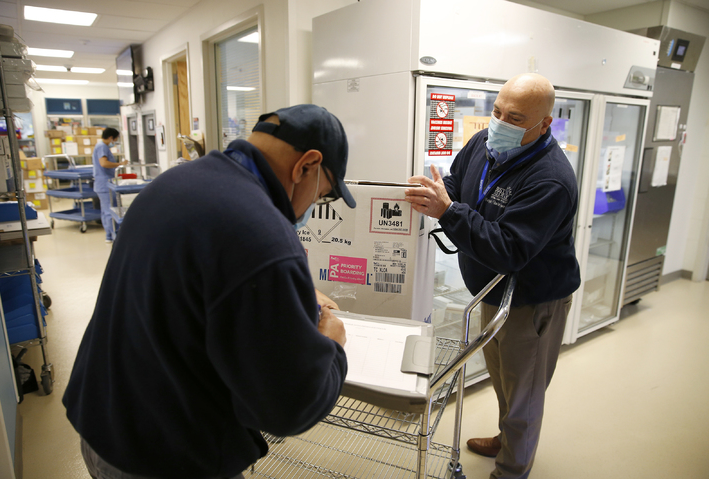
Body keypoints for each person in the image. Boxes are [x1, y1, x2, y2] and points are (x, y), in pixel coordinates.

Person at [63, 104, 355, 479]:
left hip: (104, 424)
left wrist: (282, 289)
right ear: (306, 166)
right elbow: (287, 408)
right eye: (323, 194)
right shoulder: (263, 234)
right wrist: (333, 349)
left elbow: (193, 287)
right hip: (166, 459)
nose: (313, 205)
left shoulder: (176, 182)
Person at [405, 73, 580, 479]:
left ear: (544, 124)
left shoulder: (550, 179)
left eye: (515, 118)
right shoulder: (483, 143)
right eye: (497, 111)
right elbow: (456, 182)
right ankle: (506, 439)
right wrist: (436, 193)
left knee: (524, 395)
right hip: (491, 291)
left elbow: (509, 249)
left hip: (533, 300)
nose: (499, 123)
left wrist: (448, 211)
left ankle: (510, 471)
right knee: (502, 378)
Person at [91, 127, 128, 243]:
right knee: (110, 211)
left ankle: (109, 234)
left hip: (102, 183)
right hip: (104, 184)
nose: (115, 142)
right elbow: (104, 163)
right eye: (115, 139)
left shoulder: (100, 146)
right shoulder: (102, 146)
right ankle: (113, 236)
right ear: (111, 137)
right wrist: (119, 164)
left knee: (105, 210)